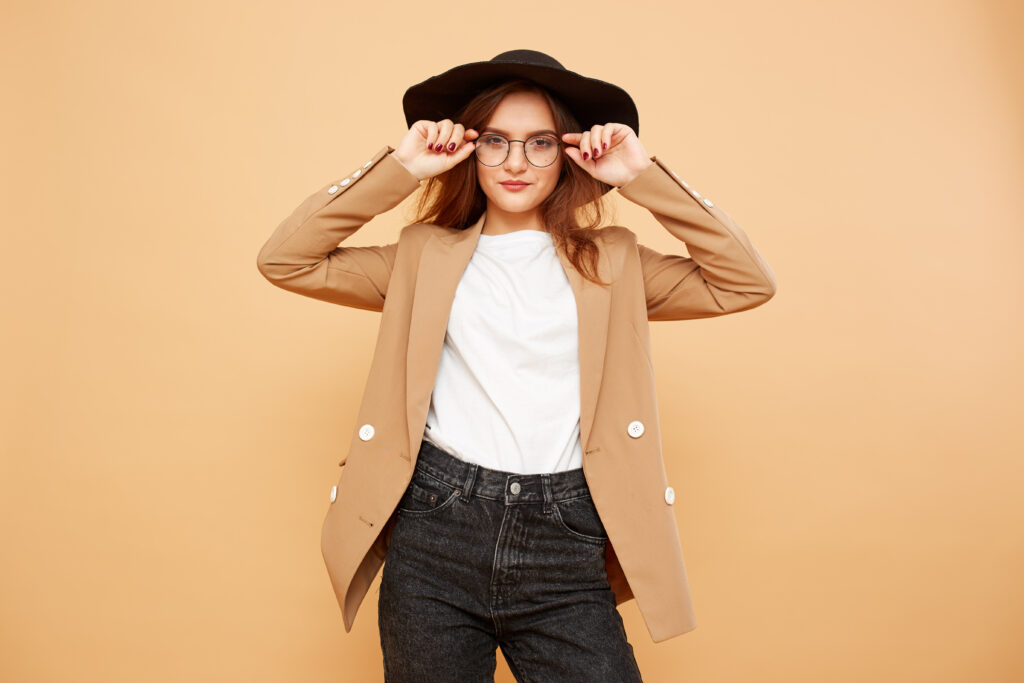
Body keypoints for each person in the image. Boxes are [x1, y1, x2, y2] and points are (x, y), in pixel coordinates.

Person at [257, 49, 776, 682]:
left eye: (539, 144)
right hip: (435, 528)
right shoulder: (423, 257)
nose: (514, 163)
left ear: (570, 155)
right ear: (468, 150)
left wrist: (642, 177)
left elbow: (744, 282)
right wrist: (402, 169)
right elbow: (286, 260)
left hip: (566, 536)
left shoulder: (614, 262)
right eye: (496, 142)